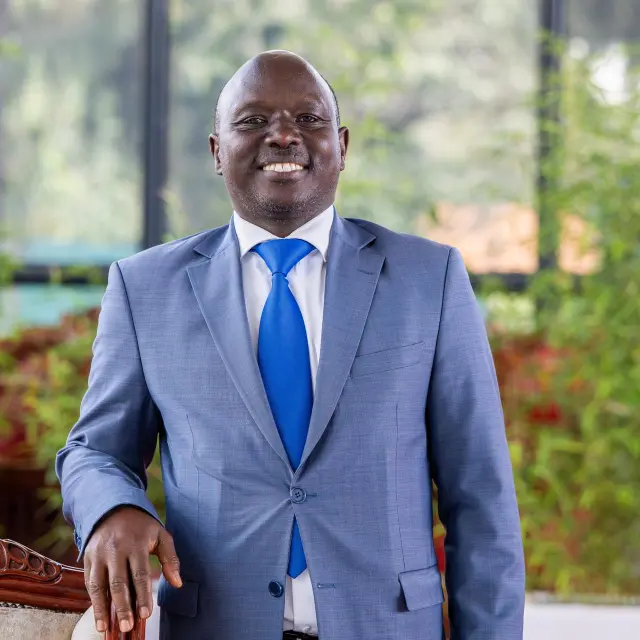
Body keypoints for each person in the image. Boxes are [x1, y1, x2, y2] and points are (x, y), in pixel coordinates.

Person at [56, 50, 525, 640]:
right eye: (253, 120)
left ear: (342, 146)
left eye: (308, 119)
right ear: (217, 151)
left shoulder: (428, 279)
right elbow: (94, 451)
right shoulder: (145, 288)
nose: (283, 135)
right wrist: (114, 507)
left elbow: (481, 497)